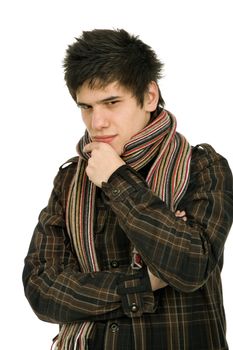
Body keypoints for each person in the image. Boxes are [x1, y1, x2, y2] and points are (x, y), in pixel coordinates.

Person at [23, 29, 233, 350]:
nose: (97, 123)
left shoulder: (202, 166)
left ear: (149, 96)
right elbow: (42, 289)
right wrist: (141, 283)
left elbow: (190, 267)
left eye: (111, 102)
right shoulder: (71, 179)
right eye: (87, 107)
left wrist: (117, 179)